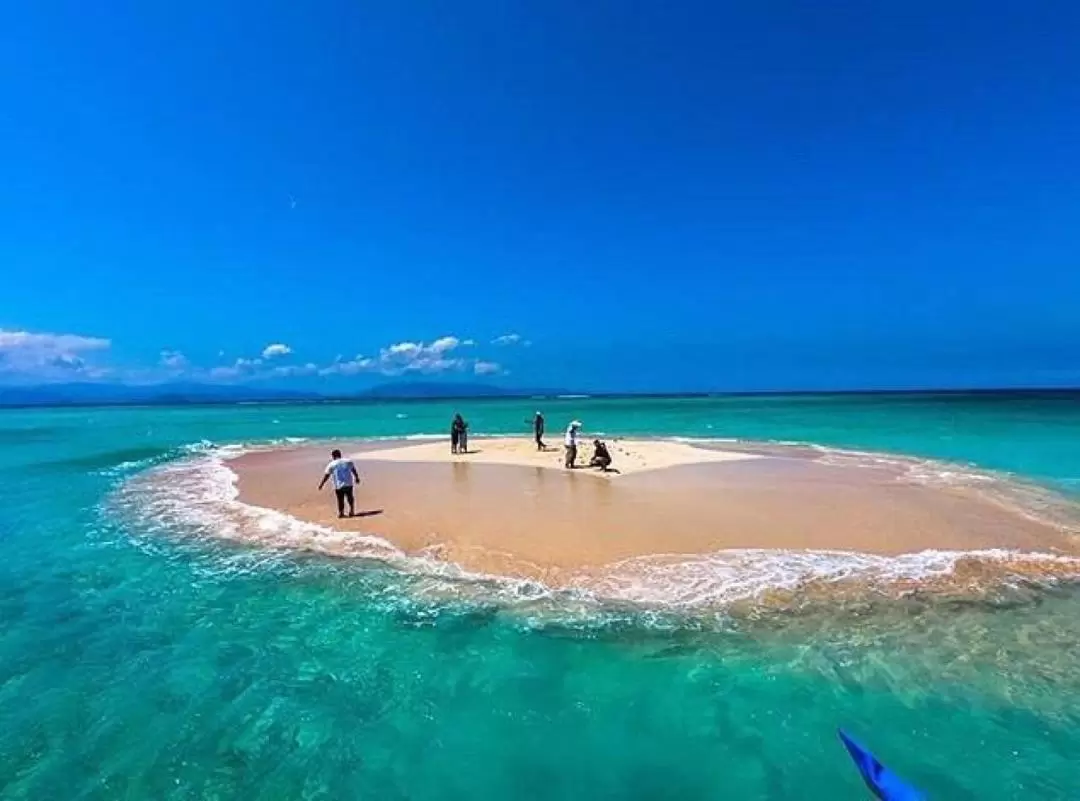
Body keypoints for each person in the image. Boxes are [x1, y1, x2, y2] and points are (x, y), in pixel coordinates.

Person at [317, 448, 361, 518]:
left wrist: (321, 484)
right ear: (340, 454)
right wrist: (357, 477)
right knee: (350, 497)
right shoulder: (348, 461)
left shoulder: (331, 464)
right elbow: (353, 470)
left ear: (333, 456)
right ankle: (352, 511)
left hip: (338, 485)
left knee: (340, 499)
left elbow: (327, 475)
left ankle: (341, 513)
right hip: (348, 483)